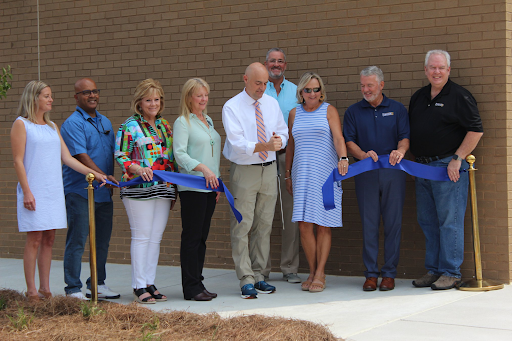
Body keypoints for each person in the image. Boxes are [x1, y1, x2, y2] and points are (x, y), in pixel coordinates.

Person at [11, 80, 106, 302]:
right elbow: (17, 161)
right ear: (34, 98)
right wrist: (26, 192)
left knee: (50, 238)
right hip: (33, 190)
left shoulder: (53, 127)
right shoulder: (21, 124)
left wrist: (95, 173)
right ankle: (32, 291)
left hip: (52, 191)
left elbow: (67, 158)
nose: (51, 99)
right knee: (34, 239)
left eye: (50, 95)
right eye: (46, 96)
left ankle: (46, 289)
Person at [409, 50, 483, 290]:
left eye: (441, 68)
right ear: (425, 70)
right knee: (428, 221)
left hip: (446, 167)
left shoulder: (460, 96)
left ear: (448, 70)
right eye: (432, 67)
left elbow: (476, 130)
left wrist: (457, 158)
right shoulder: (419, 97)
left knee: (449, 222)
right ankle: (434, 270)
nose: (436, 72)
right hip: (422, 167)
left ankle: (451, 272)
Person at [222, 62, 288, 299]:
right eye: (258, 83)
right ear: (245, 79)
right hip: (245, 171)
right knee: (242, 225)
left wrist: (279, 141)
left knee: (264, 224)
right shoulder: (232, 107)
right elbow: (238, 143)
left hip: (269, 169)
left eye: (265, 83)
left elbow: (283, 131)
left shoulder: (271, 103)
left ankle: (260, 275)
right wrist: (265, 145)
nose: (262, 88)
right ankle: (245, 278)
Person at [343, 66, 410, 292]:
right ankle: (371, 274)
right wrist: (362, 155)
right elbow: (349, 141)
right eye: (362, 85)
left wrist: (400, 151)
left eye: (370, 85)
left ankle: (389, 274)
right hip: (366, 174)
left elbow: (405, 138)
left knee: (393, 224)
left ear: (381, 85)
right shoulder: (353, 111)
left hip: (393, 173)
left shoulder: (397, 109)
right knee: (369, 224)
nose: (365, 89)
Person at [115, 79, 178, 304]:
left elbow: (171, 159)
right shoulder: (129, 126)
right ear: (139, 102)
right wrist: (137, 168)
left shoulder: (165, 126)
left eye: (157, 99)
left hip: (163, 188)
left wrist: (174, 189)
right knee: (141, 236)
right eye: (148, 99)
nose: (153, 104)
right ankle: (138, 285)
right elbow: (121, 155)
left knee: (155, 237)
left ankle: (150, 283)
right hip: (138, 188)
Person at [286, 72, 348, 293]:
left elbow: (338, 138)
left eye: (316, 89)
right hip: (301, 175)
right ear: (301, 92)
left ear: (321, 91)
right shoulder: (294, 114)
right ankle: (311, 271)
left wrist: (343, 158)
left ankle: (320, 273)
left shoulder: (329, 110)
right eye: (307, 90)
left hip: (325, 176)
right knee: (304, 226)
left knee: (323, 225)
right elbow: (291, 145)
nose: (312, 94)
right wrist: (287, 174)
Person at [61, 78, 120, 300]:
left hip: (103, 190)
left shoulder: (105, 122)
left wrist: (109, 178)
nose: (92, 95)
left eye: (95, 91)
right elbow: (80, 156)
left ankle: (97, 283)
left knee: (102, 239)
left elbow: (109, 154)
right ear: (76, 97)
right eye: (86, 92)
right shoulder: (72, 124)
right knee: (78, 238)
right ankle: (73, 288)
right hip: (79, 190)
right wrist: (103, 176)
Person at [173, 78, 221, 301]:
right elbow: (180, 155)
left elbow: (212, 154)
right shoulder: (183, 122)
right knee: (192, 238)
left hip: (210, 188)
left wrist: (217, 181)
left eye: (206, 95)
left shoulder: (208, 120)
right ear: (188, 97)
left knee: (202, 238)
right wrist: (203, 169)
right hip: (193, 187)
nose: (204, 99)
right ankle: (190, 288)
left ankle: (198, 283)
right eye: (199, 95)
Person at [262, 48, 301, 284]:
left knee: (290, 215)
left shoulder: (296, 91)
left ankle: (289, 267)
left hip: (289, 158)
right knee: (263, 214)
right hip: (262, 158)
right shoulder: (256, 90)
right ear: (265, 64)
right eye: (272, 61)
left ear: (285, 65)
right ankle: (262, 269)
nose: (276, 65)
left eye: (280, 61)